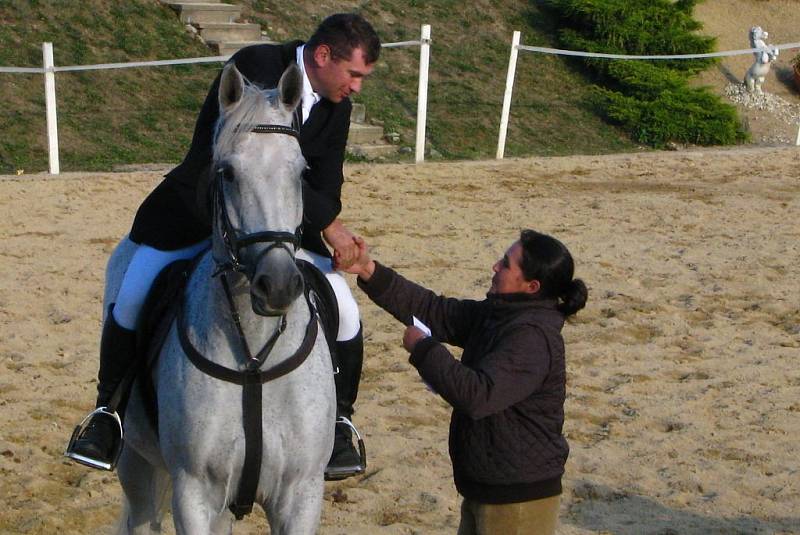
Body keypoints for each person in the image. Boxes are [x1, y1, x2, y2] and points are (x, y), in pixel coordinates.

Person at [66, 13, 381, 479]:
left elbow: (327, 189)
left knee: (346, 311)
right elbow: (228, 154)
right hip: (199, 207)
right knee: (132, 291)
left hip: (277, 226)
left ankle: (339, 423)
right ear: (322, 56)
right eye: (354, 74)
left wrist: (326, 222)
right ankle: (107, 414)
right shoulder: (256, 65)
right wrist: (331, 227)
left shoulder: (338, 107)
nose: (356, 87)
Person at [341, 229, 588, 535]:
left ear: (532, 286)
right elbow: (435, 311)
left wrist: (423, 349)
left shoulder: (532, 337)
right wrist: (369, 270)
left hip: (517, 498)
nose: (495, 267)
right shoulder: (500, 313)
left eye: (507, 264)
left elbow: (478, 395)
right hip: (488, 487)